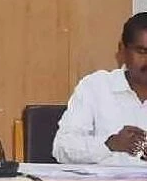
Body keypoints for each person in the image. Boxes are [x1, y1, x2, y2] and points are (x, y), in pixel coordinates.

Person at [53, 12, 147, 165]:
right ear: (122, 50)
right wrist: (109, 144)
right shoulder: (96, 87)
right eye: (142, 52)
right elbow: (62, 148)